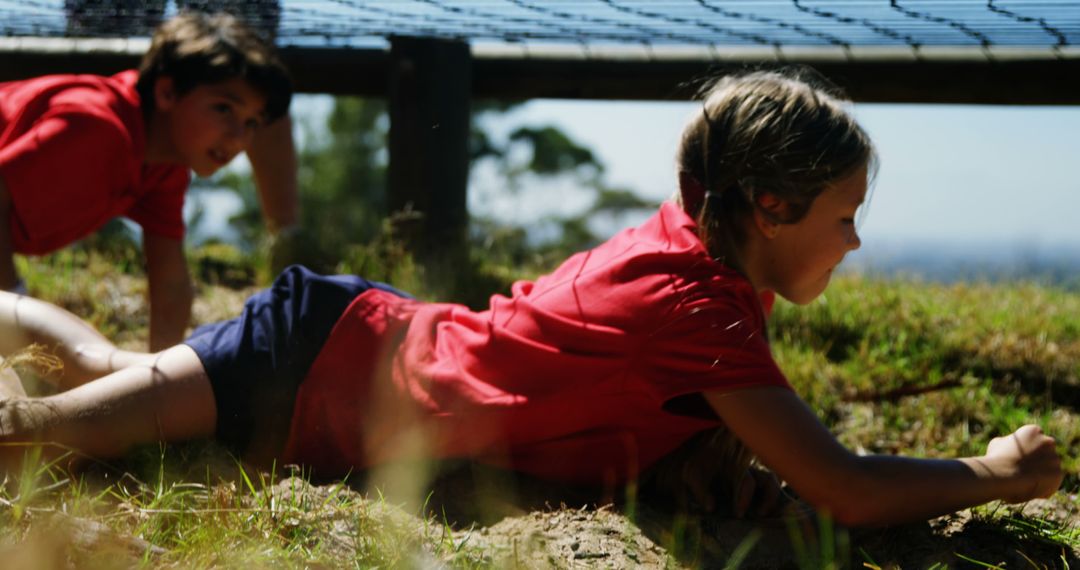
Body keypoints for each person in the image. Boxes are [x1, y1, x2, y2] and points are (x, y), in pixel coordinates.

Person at [0, 71, 1062, 527]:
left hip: (341, 352)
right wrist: (995, 473)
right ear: (772, 208)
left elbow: (606, 387)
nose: (857, 237)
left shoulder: (695, 250)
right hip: (312, 364)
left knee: (102, 375)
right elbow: (846, 490)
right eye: (843, 213)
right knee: (37, 437)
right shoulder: (697, 307)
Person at [0, 11, 296, 351]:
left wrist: (159, 378)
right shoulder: (99, 128)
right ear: (167, 92)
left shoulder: (163, 167)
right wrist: (13, 319)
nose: (238, 137)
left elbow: (169, 282)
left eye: (252, 123)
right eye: (224, 109)